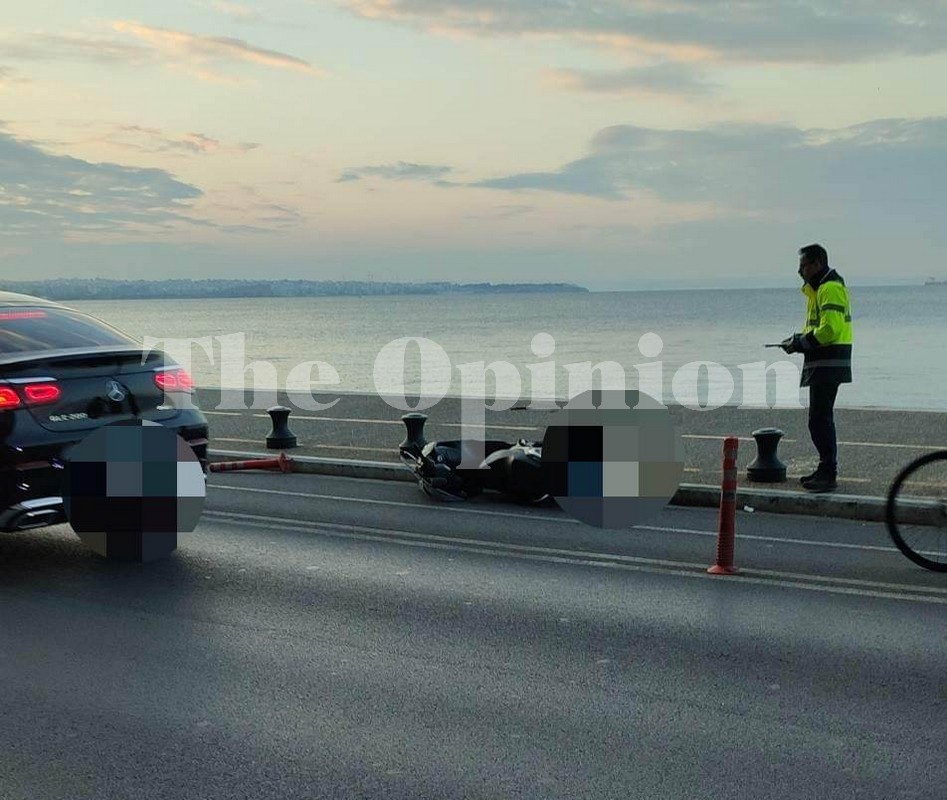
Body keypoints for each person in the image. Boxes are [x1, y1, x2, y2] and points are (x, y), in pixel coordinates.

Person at [780, 244, 853, 493]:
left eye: (803, 265)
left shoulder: (829, 288)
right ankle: (825, 468)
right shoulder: (819, 289)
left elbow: (830, 330)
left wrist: (800, 343)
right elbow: (820, 328)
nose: (799, 271)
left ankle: (828, 472)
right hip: (824, 361)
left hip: (829, 361)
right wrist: (798, 340)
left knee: (819, 419)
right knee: (819, 419)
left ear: (817, 264)